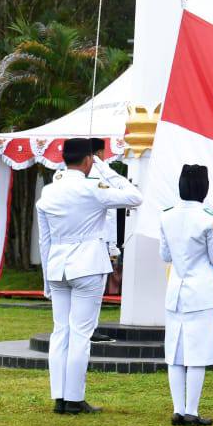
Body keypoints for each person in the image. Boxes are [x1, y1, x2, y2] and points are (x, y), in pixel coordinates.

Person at [36, 138, 143, 415]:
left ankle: (60, 397)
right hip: (87, 265)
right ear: (88, 160)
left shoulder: (48, 192)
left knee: (61, 331)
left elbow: (45, 241)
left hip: (58, 266)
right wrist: (104, 168)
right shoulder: (93, 188)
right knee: (81, 333)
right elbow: (134, 197)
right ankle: (74, 398)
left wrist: (47, 279)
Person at [159, 165, 213, 426]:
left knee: (175, 353)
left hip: (176, 290)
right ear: (204, 188)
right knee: (198, 353)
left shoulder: (167, 215)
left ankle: (178, 409)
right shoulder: (209, 218)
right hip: (201, 293)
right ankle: (191, 411)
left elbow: (165, 255)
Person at [88, 138, 119, 342]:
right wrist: (113, 246)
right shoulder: (103, 175)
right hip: (100, 241)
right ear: (100, 153)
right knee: (96, 290)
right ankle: (91, 328)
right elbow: (110, 215)